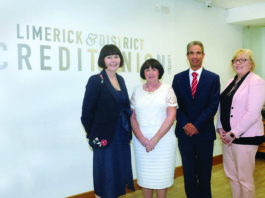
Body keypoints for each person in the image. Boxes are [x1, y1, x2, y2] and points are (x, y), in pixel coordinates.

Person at [81, 44, 135, 198]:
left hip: (121, 136)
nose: (113, 60)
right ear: (103, 60)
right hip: (104, 138)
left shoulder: (121, 79)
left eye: (116, 56)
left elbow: (124, 106)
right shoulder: (96, 80)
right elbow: (86, 113)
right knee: (105, 177)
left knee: (118, 175)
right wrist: (93, 134)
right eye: (109, 57)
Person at [172, 41, 220, 198]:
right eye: (191, 53)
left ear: (203, 55)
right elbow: (174, 105)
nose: (195, 56)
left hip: (204, 133)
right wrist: (186, 124)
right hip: (184, 134)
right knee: (189, 173)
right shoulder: (178, 79)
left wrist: (196, 125)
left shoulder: (213, 78)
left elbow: (212, 106)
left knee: (205, 174)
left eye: (198, 52)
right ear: (187, 56)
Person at [216, 49, 265, 198]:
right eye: (235, 60)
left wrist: (233, 133)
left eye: (242, 60)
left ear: (251, 63)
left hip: (244, 138)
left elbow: (252, 113)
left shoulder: (257, 82)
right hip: (227, 137)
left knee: (244, 179)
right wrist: (220, 127)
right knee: (232, 176)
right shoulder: (230, 81)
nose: (238, 63)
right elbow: (222, 106)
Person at [130, 58, 177, 198]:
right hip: (141, 141)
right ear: (143, 73)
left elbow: (171, 116)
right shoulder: (137, 90)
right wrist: (142, 139)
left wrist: (155, 139)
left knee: (162, 179)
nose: (150, 72)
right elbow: (132, 117)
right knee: (146, 179)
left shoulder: (168, 89)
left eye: (154, 69)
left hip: (163, 140)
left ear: (159, 72)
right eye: (147, 69)